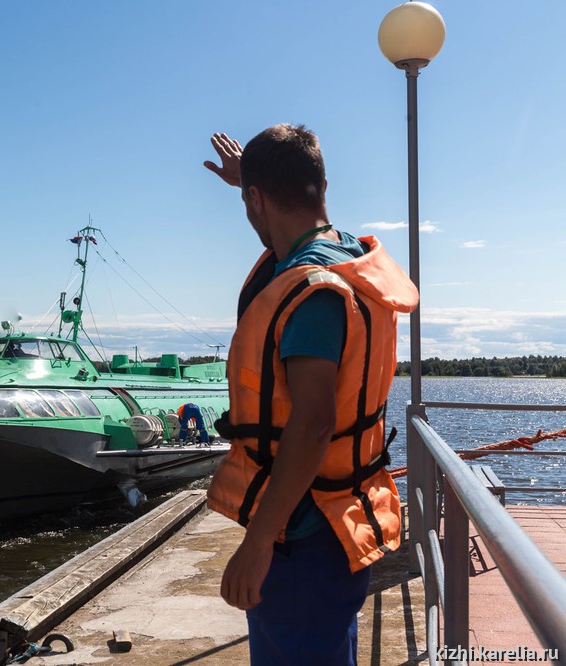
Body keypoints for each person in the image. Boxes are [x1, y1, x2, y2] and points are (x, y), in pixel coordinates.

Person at [203, 125, 419, 665]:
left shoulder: (312, 292)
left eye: (251, 199)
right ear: (322, 185)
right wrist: (250, 183)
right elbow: (285, 233)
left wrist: (257, 544)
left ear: (258, 198)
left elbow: (314, 422)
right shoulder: (348, 261)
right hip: (337, 521)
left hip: (300, 537)